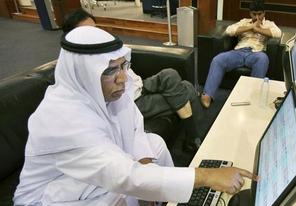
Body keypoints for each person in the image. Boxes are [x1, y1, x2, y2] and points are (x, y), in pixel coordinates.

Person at [13, 26, 257, 206]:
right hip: (54, 200)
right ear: (84, 74)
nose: (122, 78)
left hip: (101, 171)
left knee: (156, 146)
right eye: (110, 70)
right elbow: (123, 174)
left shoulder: (111, 91)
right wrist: (205, 176)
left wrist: (144, 165)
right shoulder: (61, 117)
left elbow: (135, 130)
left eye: (122, 66)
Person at [63, 9, 201, 153]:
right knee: (187, 88)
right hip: (131, 99)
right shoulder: (81, 68)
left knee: (169, 74)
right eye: (87, 32)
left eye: (95, 30)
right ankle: (195, 139)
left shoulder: (107, 49)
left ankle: (193, 139)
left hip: (140, 85)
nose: (96, 36)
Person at [200, 0, 281, 108]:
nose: (257, 17)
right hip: (239, 52)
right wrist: (250, 27)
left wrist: (258, 29)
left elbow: (278, 33)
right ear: (250, 13)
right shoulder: (244, 21)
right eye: (254, 14)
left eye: (260, 14)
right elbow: (229, 30)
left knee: (263, 59)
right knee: (218, 60)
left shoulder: (269, 24)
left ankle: (252, 98)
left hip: (256, 53)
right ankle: (208, 95)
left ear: (264, 13)